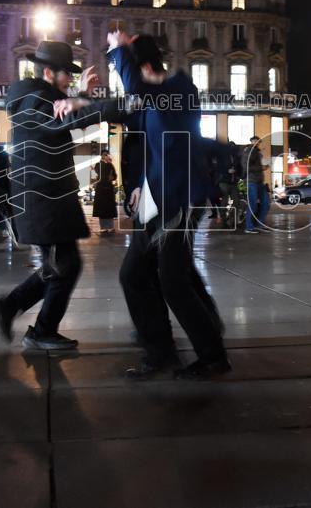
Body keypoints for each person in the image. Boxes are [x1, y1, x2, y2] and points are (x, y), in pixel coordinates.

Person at [0, 40, 130, 351]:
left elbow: (60, 115)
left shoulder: (38, 96)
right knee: (64, 266)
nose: (69, 79)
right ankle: (39, 329)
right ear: (50, 72)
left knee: (61, 266)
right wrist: (111, 107)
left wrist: (80, 97)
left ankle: (13, 309)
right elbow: (60, 121)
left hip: (49, 196)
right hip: (42, 198)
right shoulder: (31, 99)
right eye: (66, 73)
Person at [109, 31, 229, 380]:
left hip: (179, 197)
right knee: (133, 275)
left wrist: (119, 50)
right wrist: (80, 103)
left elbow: (136, 92)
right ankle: (160, 350)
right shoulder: (153, 99)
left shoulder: (178, 90)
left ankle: (212, 356)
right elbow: (127, 116)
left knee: (174, 281)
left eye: (129, 70)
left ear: (144, 66)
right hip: (154, 198)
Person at [243, 136, 270, 233]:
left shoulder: (257, 152)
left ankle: (259, 224)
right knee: (253, 204)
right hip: (251, 181)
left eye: (258, 142)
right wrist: (260, 168)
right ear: (251, 141)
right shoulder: (248, 151)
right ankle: (249, 227)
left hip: (259, 182)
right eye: (255, 141)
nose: (257, 143)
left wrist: (262, 167)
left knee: (266, 203)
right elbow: (246, 166)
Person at [91, 149, 118, 234]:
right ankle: (103, 227)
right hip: (101, 189)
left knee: (109, 208)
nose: (106, 156)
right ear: (102, 156)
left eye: (107, 154)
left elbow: (115, 175)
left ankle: (110, 226)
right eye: (105, 155)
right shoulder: (98, 164)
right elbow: (99, 174)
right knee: (102, 208)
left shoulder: (110, 165)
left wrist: (112, 177)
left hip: (109, 188)